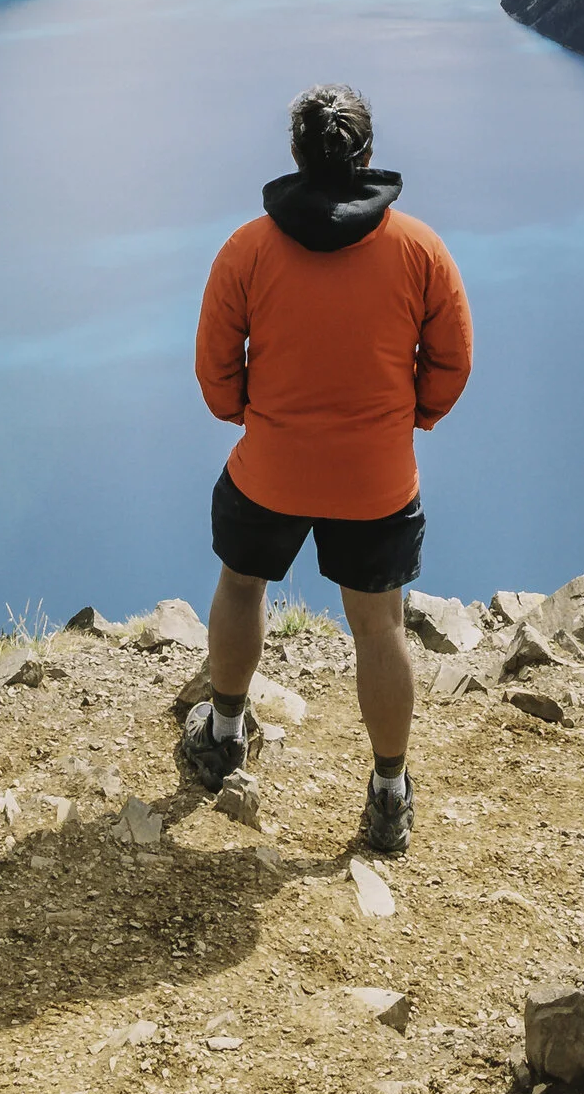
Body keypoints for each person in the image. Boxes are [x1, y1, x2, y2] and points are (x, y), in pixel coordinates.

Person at [184, 80, 473, 855]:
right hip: (377, 479)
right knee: (380, 626)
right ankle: (389, 794)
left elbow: (215, 371)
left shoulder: (247, 249)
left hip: (270, 468)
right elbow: (452, 362)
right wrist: (407, 420)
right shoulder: (420, 249)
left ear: (296, 154)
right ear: (368, 154)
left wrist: (254, 416)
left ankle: (224, 734)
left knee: (241, 584)